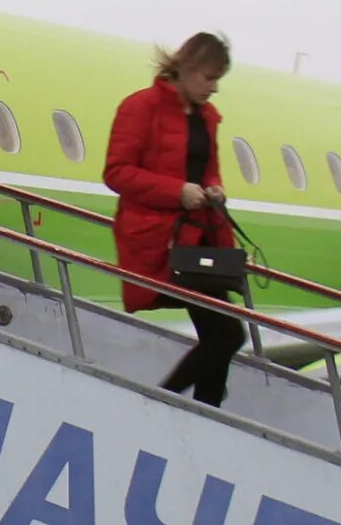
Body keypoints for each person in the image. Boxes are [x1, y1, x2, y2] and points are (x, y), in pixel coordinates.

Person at [105, 33, 246, 406]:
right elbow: (116, 172)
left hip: (200, 239)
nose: (214, 88)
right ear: (185, 67)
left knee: (218, 332)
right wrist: (177, 192)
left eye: (218, 79)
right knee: (227, 333)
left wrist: (213, 189)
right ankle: (167, 401)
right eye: (209, 77)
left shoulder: (208, 118)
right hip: (159, 242)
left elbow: (210, 170)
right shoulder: (141, 107)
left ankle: (200, 413)